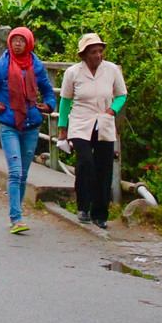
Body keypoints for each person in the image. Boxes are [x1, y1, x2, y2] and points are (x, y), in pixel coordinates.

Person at [0, 27, 57, 235]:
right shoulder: (1, 65)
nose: (18, 44)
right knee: (14, 172)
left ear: (29, 43)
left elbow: (48, 91)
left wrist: (49, 106)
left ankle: (18, 212)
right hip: (9, 124)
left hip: (31, 126)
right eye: (14, 40)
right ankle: (16, 218)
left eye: (22, 40)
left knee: (23, 174)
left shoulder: (37, 66)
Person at [56, 33, 127, 228]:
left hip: (104, 121)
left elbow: (121, 95)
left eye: (100, 51)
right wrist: (63, 129)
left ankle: (100, 213)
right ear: (84, 54)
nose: (97, 55)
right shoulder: (73, 73)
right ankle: (83, 206)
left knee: (104, 167)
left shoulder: (111, 70)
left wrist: (112, 110)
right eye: (93, 52)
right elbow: (65, 101)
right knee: (86, 162)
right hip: (80, 122)